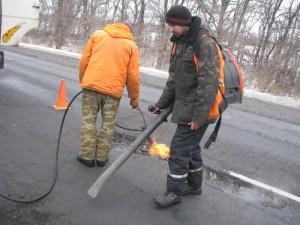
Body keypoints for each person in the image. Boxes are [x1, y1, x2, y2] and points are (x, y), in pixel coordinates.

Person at [149, 5, 220, 208]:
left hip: (200, 108)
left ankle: (174, 192)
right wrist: (160, 105)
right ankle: (194, 185)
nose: (170, 28)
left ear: (184, 23)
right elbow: (174, 79)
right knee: (191, 147)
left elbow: (209, 84)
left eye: (173, 24)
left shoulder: (204, 44)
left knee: (179, 150)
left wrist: (199, 117)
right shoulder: (179, 43)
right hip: (186, 105)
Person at [78, 22, 140, 167]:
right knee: (108, 125)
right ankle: (101, 158)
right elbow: (133, 76)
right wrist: (134, 98)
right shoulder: (131, 46)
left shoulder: (97, 35)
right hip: (113, 92)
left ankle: (87, 156)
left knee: (89, 121)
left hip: (91, 87)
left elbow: (84, 60)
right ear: (129, 31)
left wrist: (84, 80)